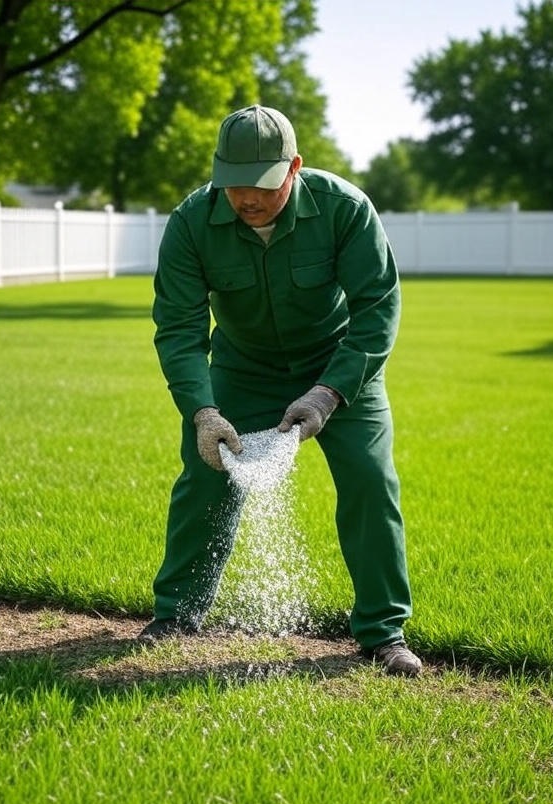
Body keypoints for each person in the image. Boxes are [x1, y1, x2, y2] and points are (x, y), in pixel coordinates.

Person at [141, 104, 422, 677]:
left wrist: (327, 395)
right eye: (233, 184)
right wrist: (202, 411)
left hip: (340, 366)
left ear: (294, 167)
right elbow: (179, 329)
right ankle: (178, 614)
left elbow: (377, 310)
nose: (246, 198)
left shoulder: (345, 210)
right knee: (204, 476)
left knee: (371, 480)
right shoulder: (192, 222)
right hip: (244, 368)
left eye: (263, 185)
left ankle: (382, 631)